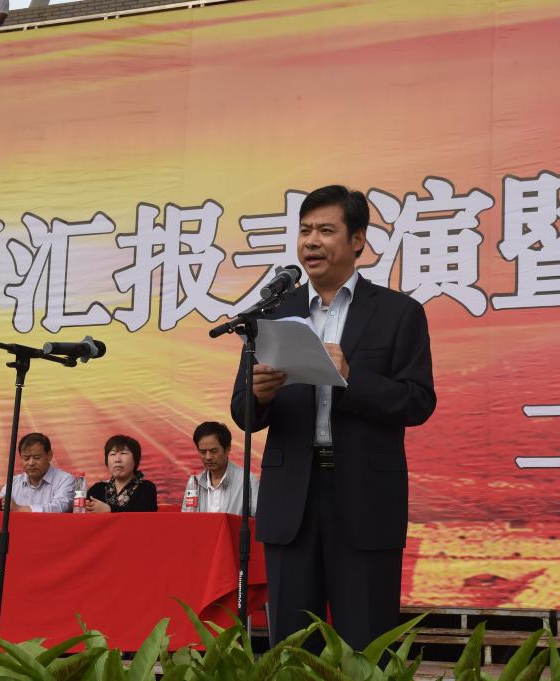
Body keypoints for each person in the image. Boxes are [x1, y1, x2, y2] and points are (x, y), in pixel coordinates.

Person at [231, 184, 436, 651]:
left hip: (365, 499)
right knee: (292, 649)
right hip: (292, 501)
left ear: (358, 240)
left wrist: (350, 378)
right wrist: (259, 396)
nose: (311, 242)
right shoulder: (273, 313)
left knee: (366, 647)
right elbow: (242, 411)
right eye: (304, 231)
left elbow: (418, 401)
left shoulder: (398, 313)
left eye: (325, 230)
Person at [182, 421, 258, 515]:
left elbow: (259, 518)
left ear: (227, 449)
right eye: (203, 452)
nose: (208, 457)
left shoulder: (247, 480)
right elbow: (187, 519)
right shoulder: (194, 483)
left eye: (213, 451)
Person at [0, 432, 72, 513]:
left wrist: (19, 509)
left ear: (49, 455)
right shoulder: (14, 482)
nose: (31, 463)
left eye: (36, 457)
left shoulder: (65, 480)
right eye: (26, 458)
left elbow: (59, 508)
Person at [86, 435, 157, 512]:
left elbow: (145, 513)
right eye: (112, 454)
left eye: (123, 453)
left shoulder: (146, 488)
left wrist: (109, 510)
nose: (117, 460)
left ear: (135, 460)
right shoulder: (97, 489)